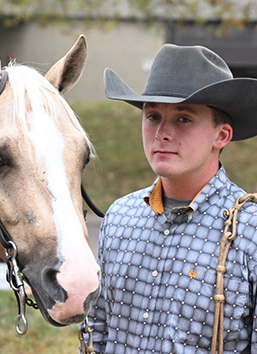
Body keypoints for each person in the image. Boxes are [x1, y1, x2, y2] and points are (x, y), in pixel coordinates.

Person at [81, 44, 257, 353]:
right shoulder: (120, 218)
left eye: (183, 119)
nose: (162, 132)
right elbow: (96, 331)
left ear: (222, 135)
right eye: (152, 116)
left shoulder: (249, 232)